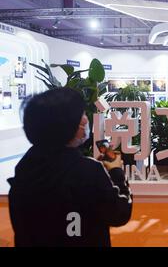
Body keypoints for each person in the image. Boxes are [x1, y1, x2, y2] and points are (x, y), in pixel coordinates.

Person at [8, 88, 132, 247]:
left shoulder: (24, 168)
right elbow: (119, 213)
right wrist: (116, 172)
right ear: (68, 126)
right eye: (81, 115)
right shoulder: (89, 171)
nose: (86, 120)